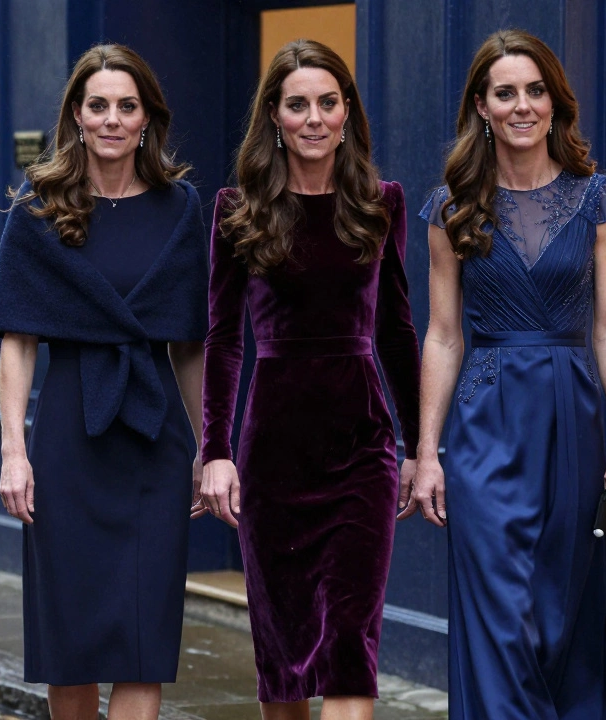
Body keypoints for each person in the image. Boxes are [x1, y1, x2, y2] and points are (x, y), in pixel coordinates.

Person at [407, 29, 606, 719]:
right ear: (480, 106)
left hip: (573, 417)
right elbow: (445, 336)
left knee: (565, 609)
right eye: (505, 92)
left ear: (554, 101)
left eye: (535, 90)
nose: (522, 105)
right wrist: (427, 452)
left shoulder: (597, 201)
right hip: (485, 424)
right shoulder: (450, 207)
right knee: (498, 615)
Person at [0, 44, 208, 720]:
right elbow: (17, 344)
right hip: (68, 438)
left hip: (154, 439)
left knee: (144, 640)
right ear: (76, 117)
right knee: (70, 642)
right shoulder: (39, 208)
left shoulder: (181, 208)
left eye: (127, 106)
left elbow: (192, 345)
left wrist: (209, 448)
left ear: (147, 119)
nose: (113, 119)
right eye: (98, 105)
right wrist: (13, 451)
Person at [199, 38, 421, 720]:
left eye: (329, 102)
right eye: (298, 105)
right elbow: (225, 337)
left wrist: (420, 448)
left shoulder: (381, 204)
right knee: (286, 664)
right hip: (273, 455)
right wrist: (216, 451)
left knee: (352, 648)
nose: (315, 118)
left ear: (348, 112)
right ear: (274, 116)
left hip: (361, 450)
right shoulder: (238, 210)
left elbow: (395, 332)